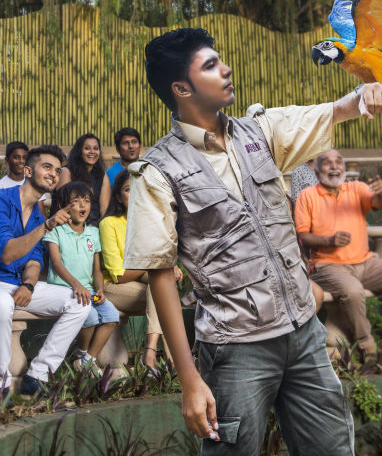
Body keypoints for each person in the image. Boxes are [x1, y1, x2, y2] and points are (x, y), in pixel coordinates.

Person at [123, 27, 381, 454]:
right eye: (210, 65)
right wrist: (190, 381)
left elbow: (334, 111)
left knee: (333, 449)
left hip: (303, 335)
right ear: (181, 88)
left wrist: (365, 95)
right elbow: (160, 274)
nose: (226, 69)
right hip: (235, 349)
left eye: (219, 59)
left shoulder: (262, 132)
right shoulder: (156, 171)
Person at [0, 145, 90, 402]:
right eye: (47, 167)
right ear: (28, 170)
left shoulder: (37, 217)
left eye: (58, 170)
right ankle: (0, 384)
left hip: (14, 285)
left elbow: (34, 261)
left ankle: (37, 374)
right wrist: (48, 225)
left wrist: (28, 285)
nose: (54, 174)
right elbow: (6, 253)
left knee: (79, 302)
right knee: (2, 302)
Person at [295, 149, 382, 360]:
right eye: (327, 163)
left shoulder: (357, 188)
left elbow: (377, 204)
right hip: (327, 266)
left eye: (338, 162)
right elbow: (303, 235)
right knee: (352, 291)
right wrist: (329, 241)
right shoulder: (307, 196)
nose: (334, 167)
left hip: (365, 262)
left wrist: (380, 193)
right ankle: (367, 348)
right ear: (317, 170)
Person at [99, 170, 180, 369]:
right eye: (128, 190)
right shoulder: (108, 224)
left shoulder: (149, 224)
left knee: (163, 289)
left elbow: (160, 256)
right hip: (112, 288)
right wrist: (156, 266)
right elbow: (118, 275)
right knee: (164, 292)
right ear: (118, 196)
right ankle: (170, 362)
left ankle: (153, 353)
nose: (134, 194)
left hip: (144, 286)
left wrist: (169, 267)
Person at [44, 181, 119, 374]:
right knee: (91, 316)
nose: (82, 205)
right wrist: (77, 286)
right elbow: (57, 264)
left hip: (89, 290)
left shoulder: (93, 233)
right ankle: (80, 353)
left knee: (111, 316)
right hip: (64, 289)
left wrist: (100, 289)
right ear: (62, 207)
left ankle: (87, 360)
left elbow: (97, 269)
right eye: (75, 201)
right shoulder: (55, 231)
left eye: (86, 201)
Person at [51, 134, 110, 226]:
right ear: (79, 151)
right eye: (87, 148)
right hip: (69, 224)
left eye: (96, 148)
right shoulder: (66, 172)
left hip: (94, 226)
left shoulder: (102, 176)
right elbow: (64, 206)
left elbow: (104, 211)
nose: (92, 152)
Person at [0, 142, 47, 216]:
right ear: (7, 160)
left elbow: (41, 214)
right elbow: (0, 215)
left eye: (25, 158)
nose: (21, 161)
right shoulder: (0, 186)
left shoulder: (34, 183)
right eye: (16, 157)